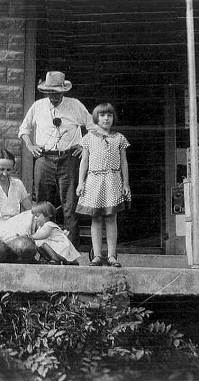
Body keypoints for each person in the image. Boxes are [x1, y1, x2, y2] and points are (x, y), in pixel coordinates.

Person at [18, 71, 97, 249]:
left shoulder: (75, 105)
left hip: (68, 160)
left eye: (57, 93)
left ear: (63, 92)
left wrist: (83, 146)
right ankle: (41, 249)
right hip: (44, 158)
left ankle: (70, 252)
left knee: (70, 206)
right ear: (45, 92)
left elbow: (93, 128)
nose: (54, 96)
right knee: (42, 207)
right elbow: (24, 129)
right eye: (50, 93)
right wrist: (30, 146)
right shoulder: (38, 106)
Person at [76, 103, 131, 267]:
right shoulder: (88, 138)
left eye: (109, 115)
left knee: (111, 217)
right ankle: (97, 255)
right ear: (96, 118)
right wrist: (81, 182)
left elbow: (124, 162)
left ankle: (112, 255)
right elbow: (84, 161)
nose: (106, 118)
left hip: (113, 179)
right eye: (102, 115)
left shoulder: (119, 138)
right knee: (96, 218)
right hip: (94, 180)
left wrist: (126, 184)